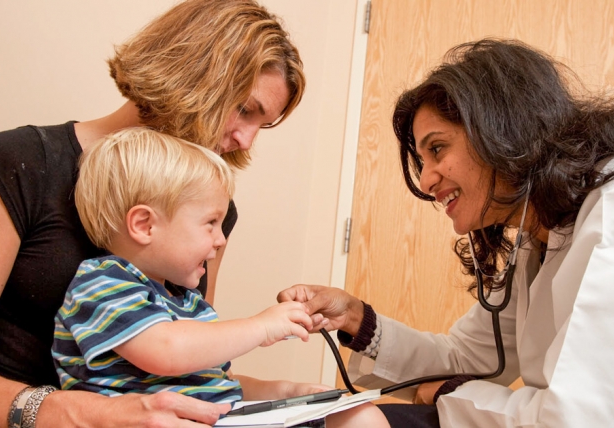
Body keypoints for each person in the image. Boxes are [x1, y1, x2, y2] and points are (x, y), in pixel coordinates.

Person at [279, 38, 614, 427]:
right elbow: (465, 358)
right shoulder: (540, 236)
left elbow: (579, 419)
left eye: (437, 149)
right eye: (421, 158)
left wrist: (454, 395)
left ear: (503, 129)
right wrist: (357, 320)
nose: (427, 179)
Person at [0, 0, 317, 426]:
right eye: (245, 109)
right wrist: (82, 416)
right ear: (192, 73)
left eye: (264, 124)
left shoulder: (214, 212)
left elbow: (178, 373)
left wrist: (282, 393)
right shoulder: (20, 163)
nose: (246, 141)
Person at [52, 128, 388, 427]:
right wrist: (261, 326)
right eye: (211, 223)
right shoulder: (102, 283)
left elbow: (220, 383)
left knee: (360, 416)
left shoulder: (187, 302)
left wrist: (291, 391)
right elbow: (166, 351)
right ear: (144, 225)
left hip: (216, 417)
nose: (221, 239)